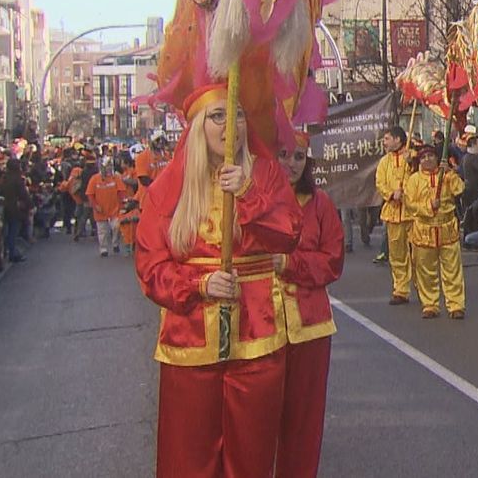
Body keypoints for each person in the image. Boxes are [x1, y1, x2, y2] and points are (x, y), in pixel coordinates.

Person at [134, 83, 301, 478]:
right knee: (187, 458)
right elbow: (150, 266)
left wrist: (247, 194)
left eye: (237, 114)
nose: (231, 126)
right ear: (197, 126)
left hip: (257, 339)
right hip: (190, 342)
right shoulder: (168, 187)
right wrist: (198, 284)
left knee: (253, 456)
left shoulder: (265, 175)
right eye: (218, 116)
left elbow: (289, 233)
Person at [273, 132, 345, 478]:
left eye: (299, 157)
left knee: (304, 418)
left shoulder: (321, 204)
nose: (291, 164)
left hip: (311, 327)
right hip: (261, 325)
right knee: (259, 418)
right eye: (284, 154)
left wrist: (290, 264)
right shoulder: (254, 201)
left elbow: (332, 261)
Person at [404, 145, 467, 318]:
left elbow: (459, 189)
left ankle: (456, 305)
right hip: (424, 229)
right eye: (423, 157)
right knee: (426, 270)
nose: (427, 160)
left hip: (447, 228)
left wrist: (450, 174)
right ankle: (430, 304)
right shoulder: (414, 180)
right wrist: (428, 206)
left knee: (452, 269)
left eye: (430, 156)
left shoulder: (446, 175)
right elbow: (410, 204)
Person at [376, 127, 414, 305]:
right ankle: (401, 290)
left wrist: (412, 163)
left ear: (398, 139)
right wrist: (392, 194)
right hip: (393, 212)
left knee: (420, 255)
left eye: (387, 138)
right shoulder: (384, 162)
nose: (384, 142)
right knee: (397, 254)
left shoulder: (413, 156)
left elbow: (421, 178)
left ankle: (426, 291)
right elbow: (380, 183)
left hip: (414, 213)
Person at [86, 159, 128, 257]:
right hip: (100, 210)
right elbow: (90, 194)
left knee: (116, 227)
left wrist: (122, 205)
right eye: (107, 166)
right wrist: (95, 205)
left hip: (114, 209)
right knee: (102, 231)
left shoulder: (116, 178)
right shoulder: (94, 179)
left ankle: (115, 243)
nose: (108, 168)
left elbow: (122, 191)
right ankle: (103, 248)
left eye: (110, 166)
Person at [0, 157, 33, 264]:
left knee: (6, 231)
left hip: (5, 206)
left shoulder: (4, 178)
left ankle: (6, 252)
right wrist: (30, 205)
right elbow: (23, 194)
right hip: (16, 208)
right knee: (13, 231)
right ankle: (12, 253)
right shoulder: (18, 179)